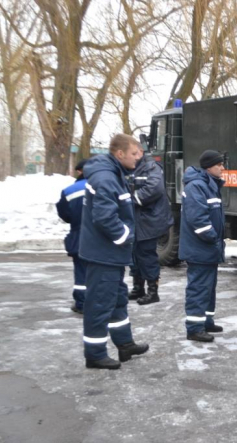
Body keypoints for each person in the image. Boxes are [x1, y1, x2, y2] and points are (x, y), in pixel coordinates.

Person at [79, 134, 149, 370]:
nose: (138, 158)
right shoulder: (107, 178)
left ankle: (124, 344)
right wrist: (125, 238)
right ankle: (95, 354)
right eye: (133, 154)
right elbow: (104, 218)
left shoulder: (114, 174)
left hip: (110, 255)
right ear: (120, 154)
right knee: (100, 303)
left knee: (117, 299)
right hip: (104, 254)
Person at [179, 150, 226, 343]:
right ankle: (194, 328)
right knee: (199, 287)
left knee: (208, 286)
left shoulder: (208, 184)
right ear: (209, 167)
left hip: (207, 248)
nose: (223, 167)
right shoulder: (197, 186)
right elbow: (198, 219)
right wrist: (213, 238)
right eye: (219, 164)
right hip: (201, 248)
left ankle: (206, 320)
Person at [127, 144, 174, 305]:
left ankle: (152, 292)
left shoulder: (151, 167)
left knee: (146, 255)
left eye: (135, 151)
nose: (133, 155)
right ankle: (137, 287)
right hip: (138, 218)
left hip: (149, 220)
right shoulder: (131, 167)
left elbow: (154, 189)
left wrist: (131, 199)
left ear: (141, 151)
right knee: (135, 254)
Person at [56, 159, 88, 315]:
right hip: (102, 238)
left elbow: (64, 214)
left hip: (79, 236)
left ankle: (81, 304)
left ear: (79, 171)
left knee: (81, 272)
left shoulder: (69, 191)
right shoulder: (106, 186)